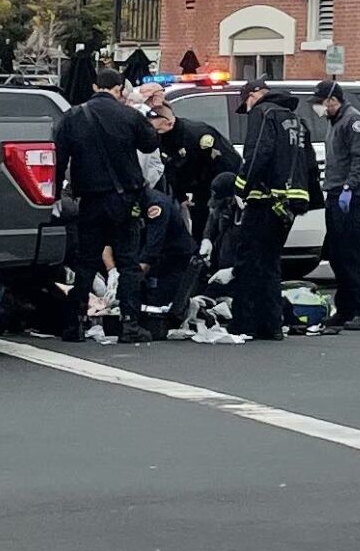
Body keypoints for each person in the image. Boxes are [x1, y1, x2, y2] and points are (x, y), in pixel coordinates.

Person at [52, 60, 159, 343]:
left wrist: (54, 197)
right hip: (125, 200)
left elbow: (59, 159)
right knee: (127, 263)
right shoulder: (128, 116)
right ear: (119, 89)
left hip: (89, 200)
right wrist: (144, 110)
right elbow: (151, 143)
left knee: (86, 262)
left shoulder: (73, 116)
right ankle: (130, 324)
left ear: (94, 87)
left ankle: (75, 323)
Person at [229, 78, 305, 340]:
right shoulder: (293, 118)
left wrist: (240, 190)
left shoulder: (264, 113)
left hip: (264, 199)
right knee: (270, 263)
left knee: (249, 261)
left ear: (255, 94)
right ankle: (270, 324)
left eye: (246, 102)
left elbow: (257, 152)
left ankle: (245, 323)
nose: (247, 109)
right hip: (289, 202)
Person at [315, 78, 360, 333]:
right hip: (334, 194)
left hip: (349, 197)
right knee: (338, 256)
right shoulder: (335, 122)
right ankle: (346, 310)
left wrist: (348, 188)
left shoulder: (353, 122)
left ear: (333, 100)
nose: (319, 108)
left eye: (321, 102)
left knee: (352, 256)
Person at [148, 94, 241, 252]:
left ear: (169, 122)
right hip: (195, 194)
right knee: (199, 234)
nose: (155, 133)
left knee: (220, 235)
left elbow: (228, 162)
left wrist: (222, 194)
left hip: (216, 190)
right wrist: (181, 197)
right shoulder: (162, 139)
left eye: (158, 129)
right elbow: (170, 169)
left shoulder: (198, 135)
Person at [138, 189, 197, 329]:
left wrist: (130, 279)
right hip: (158, 258)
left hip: (175, 258)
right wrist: (113, 271)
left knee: (164, 309)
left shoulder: (156, 205)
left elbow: (152, 248)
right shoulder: (130, 203)